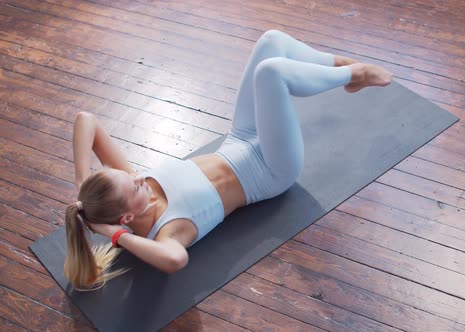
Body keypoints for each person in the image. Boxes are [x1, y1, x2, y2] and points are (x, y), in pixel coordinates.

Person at [65, 30, 392, 290]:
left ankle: (339, 70)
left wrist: (83, 186)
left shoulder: (128, 190)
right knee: (271, 73)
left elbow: (86, 121)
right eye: (135, 186)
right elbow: (174, 261)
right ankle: (353, 73)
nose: (138, 176)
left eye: (130, 176)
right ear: (125, 219)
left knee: (271, 41)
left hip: (239, 138)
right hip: (270, 169)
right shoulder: (165, 232)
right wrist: (114, 237)